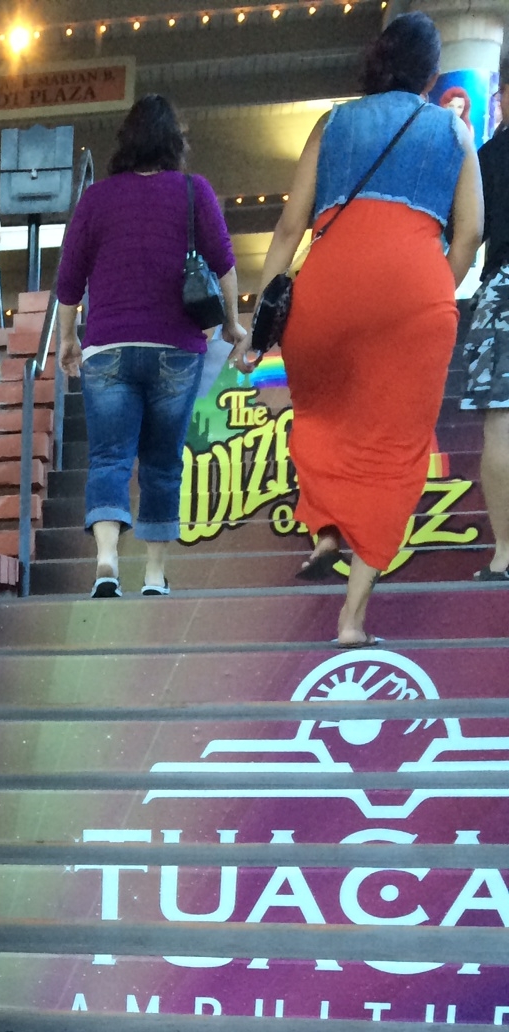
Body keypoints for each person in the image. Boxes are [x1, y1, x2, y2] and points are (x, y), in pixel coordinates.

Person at [241, 14, 481, 645]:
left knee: (321, 416)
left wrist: (259, 317)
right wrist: (432, 291)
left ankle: (324, 531)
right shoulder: (454, 129)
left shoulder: (333, 122)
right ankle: (352, 619)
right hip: (415, 286)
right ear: (433, 73)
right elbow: (471, 232)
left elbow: (290, 227)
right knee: (395, 448)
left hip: (330, 286)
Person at [55, 95, 241, 597]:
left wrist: (66, 338)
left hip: (108, 347)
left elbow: (69, 279)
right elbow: (223, 263)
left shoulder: (96, 199)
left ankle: (107, 559)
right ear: (174, 143)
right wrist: (234, 325)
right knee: (162, 460)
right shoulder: (192, 191)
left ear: (126, 141)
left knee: (109, 456)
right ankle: (155, 575)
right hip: (176, 347)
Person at [461, 108, 509, 577]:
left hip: (505, 286)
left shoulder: (488, 157)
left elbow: (471, 232)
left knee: (501, 420)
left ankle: (506, 554)